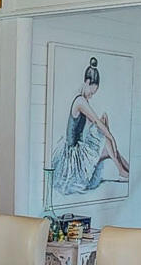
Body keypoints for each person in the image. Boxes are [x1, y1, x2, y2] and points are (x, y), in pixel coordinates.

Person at [50, 57, 130, 195]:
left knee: (104, 131)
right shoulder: (80, 101)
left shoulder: (82, 99)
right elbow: (96, 123)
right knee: (106, 139)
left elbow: (93, 124)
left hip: (78, 149)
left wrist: (105, 125)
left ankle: (126, 169)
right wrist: (111, 137)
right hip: (73, 157)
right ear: (87, 82)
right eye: (92, 92)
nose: (92, 96)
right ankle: (123, 171)